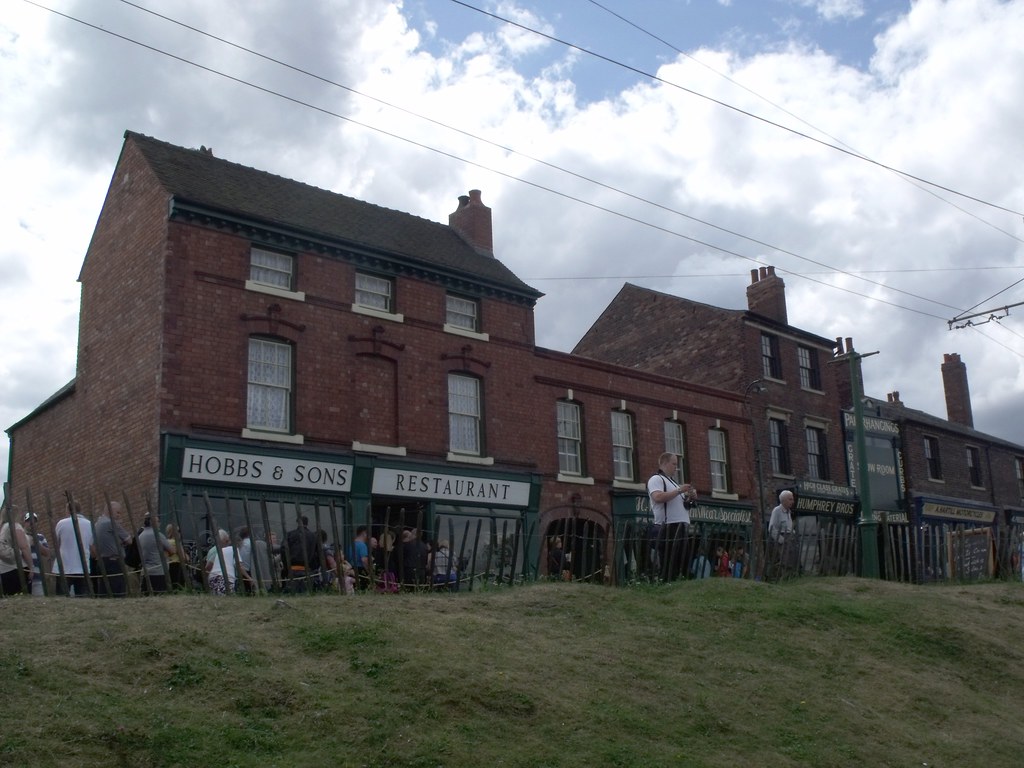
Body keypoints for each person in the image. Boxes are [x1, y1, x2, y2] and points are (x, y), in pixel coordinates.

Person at [647, 452, 697, 581]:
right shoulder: (657, 479)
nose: (676, 467)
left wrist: (691, 497)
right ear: (664, 463)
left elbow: (684, 505)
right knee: (669, 562)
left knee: (683, 562)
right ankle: (668, 583)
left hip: (681, 526)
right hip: (668, 526)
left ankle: (680, 583)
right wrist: (679, 490)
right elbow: (657, 497)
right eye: (674, 464)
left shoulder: (673, 483)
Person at [92, 501, 133, 597]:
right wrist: (120, 542)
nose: (119, 515)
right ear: (110, 511)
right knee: (118, 592)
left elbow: (92, 544)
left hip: (102, 561)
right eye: (118, 512)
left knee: (104, 592)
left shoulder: (97, 524)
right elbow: (129, 540)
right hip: (114, 562)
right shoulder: (111, 523)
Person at [53, 500, 94, 596]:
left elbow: (56, 542)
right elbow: (91, 543)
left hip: (64, 565)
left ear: (67, 510)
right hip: (82, 566)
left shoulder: (61, 523)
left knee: (61, 597)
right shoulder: (89, 524)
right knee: (82, 596)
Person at [137, 515, 176, 594]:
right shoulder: (158, 535)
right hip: (158, 572)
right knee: (160, 595)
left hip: (145, 571)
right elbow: (172, 551)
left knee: (146, 596)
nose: (160, 524)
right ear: (152, 523)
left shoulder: (141, 536)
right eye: (158, 522)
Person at [0, 506, 34, 596]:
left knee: (11, 598)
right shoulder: (15, 526)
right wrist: (31, 567)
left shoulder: (2, 527)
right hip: (18, 568)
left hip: (4, 570)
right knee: (24, 598)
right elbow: (24, 548)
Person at [283, 516, 322, 593]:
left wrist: (286, 566)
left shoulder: (290, 535)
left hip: (293, 569)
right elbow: (318, 554)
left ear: (297, 523)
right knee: (306, 593)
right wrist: (315, 567)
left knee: (292, 594)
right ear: (307, 523)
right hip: (308, 570)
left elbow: (283, 551)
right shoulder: (313, 536)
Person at [205, 529, 248, 595]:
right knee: (227, 598)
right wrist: (249, 578)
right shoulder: (233, 550)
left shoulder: (220, 550)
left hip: (213, 577)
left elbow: (209, 565)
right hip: (225, 579)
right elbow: (239, 566)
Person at [768, 490, 797, 576]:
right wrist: (781, 540)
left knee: (791, 561)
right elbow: (771, 528)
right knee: (783, 562)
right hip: (781, 539)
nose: (793, 501)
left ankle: (789, 578)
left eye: (792, 499)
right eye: (790, 499)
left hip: (790, 539)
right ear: (783, 500)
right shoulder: (777, 511)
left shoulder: (789, 512)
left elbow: (788, 527)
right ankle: (781, 578)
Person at [24, 512, 51, 597]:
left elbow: (47, 553)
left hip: (38, 576)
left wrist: (37, 543)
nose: (32, 524)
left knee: (39, 602)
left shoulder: (40, 537)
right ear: (25, 522)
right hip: (24, 574)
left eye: (34, 521)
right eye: (29, 521)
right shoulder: (20, 535)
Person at [164, 523, 187, 590]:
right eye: (178, 531)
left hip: (169, 566)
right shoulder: (176, 543)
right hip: (176, 567)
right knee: (177, 586)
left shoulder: (166, 542)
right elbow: (184, 557)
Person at [348, 526, 371, 591]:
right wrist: (369, 571)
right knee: (363, 589)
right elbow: (364, 560)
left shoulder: (352, 545)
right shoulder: (362, 545)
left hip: (352, 569)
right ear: (364, 533)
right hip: (361, 570)